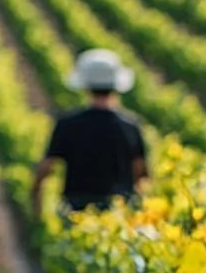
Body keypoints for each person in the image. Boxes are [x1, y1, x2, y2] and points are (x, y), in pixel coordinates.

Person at [31, 48, 147, 215]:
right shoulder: (130, 126)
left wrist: (36, 204)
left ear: (85, 86)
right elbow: (141, 174)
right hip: (119, 213)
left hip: (77, 210)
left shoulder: (67, 124)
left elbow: (46, 168)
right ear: (116, 86)